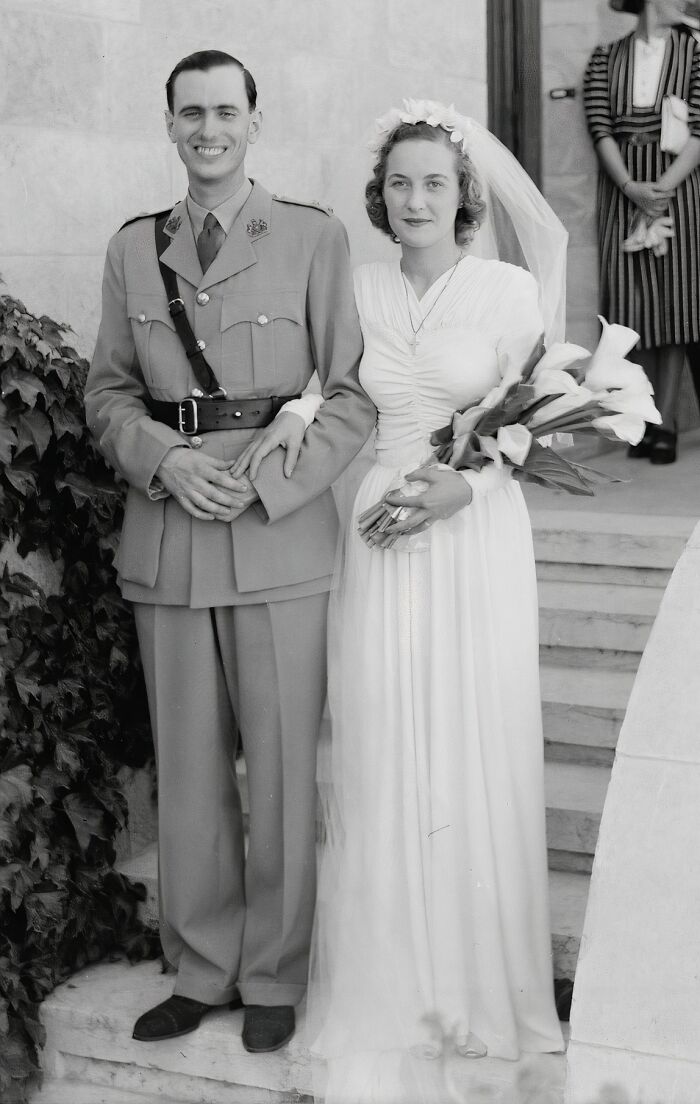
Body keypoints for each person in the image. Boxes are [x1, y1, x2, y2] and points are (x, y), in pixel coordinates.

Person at [235, 101, 567, 1103]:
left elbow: (542, 419)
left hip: (472, 525)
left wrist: (465, 484)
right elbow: (328, 383)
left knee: (470, 740)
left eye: (433, 181)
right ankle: (389, 985)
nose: (414, 197)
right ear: (377, 198)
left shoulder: (509, 289)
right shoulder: (359, 285)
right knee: (382, 740)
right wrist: (291, 420)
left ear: (465, 194)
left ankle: (474, 990)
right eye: (399, 182)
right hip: (380, 524)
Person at [84, 49, 376, 1054]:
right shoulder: (132, 250)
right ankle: (202, 966)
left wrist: (266, 480)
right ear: (168, 126)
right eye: (189, 114)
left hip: (275, 536)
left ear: (255, 120)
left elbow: (349, 395)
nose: (208, 129)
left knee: (284, 768)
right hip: (169, 537)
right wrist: (162, 462)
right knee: (192, 774)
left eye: (224, 111)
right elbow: (107, 394)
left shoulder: (311, 236)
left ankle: (274, 974)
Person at [584, 0, 700, 464]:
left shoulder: (694, 53)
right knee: (632, 311)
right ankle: (642, 417)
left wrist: (662, 189)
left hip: (679, 191)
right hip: (622, 189)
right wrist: (632, 188)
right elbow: (600, 128)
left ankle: (665, 423)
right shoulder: (604, 57)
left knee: (675, 308)